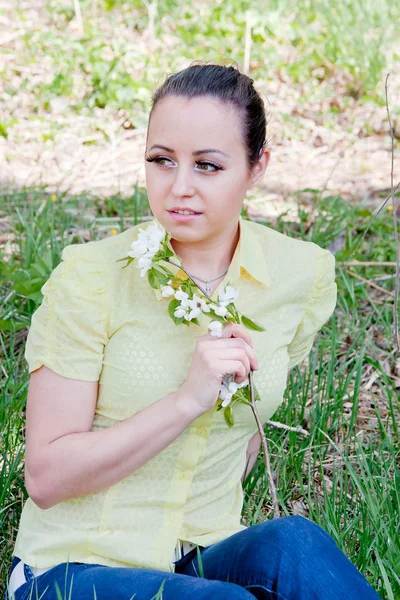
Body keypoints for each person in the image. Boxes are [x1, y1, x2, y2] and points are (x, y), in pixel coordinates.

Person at [4, 63, 380, 600]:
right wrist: (185, 402)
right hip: (72, 566)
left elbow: (248, 433)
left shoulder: (300, 274)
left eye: (207, 165)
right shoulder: (92, 277)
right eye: (162, 161)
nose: (179, 188)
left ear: (257, 167)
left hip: (202, 552)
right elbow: (44, 478)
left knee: (296, 542)